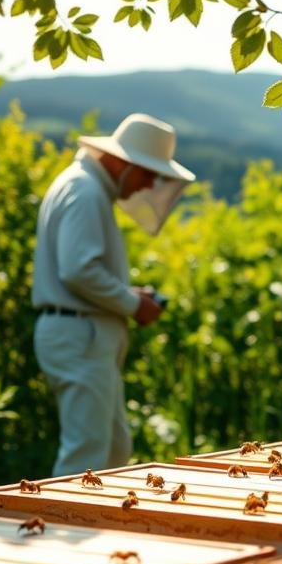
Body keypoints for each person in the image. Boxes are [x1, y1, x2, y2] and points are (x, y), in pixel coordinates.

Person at [32, 113, 195, 476]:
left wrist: (125, 293)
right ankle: (58, 528)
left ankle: (89, 529)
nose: (148, 184)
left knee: (112, 448)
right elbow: (78, 270)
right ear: (122, 162)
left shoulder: (84, 187)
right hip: (79, 334)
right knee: (86, 455)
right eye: (147, 171)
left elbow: (80, 269)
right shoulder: (85, 191)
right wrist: (133, 303)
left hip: (82, 332)